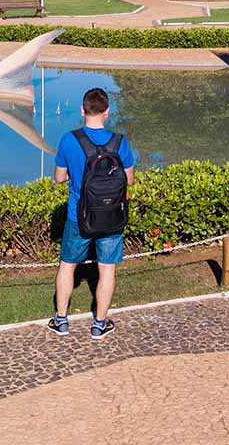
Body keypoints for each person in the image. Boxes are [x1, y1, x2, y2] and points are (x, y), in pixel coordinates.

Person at [48, 87, 135, 340]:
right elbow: (129, 181)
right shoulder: (120, 142)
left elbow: (58, 178)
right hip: (112, 218)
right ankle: (99, 324)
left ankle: (61, 320)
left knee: (67, 265)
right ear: (107, 112)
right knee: (107, 270)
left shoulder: (68, 139)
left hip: (79, 216)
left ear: (82, 110)